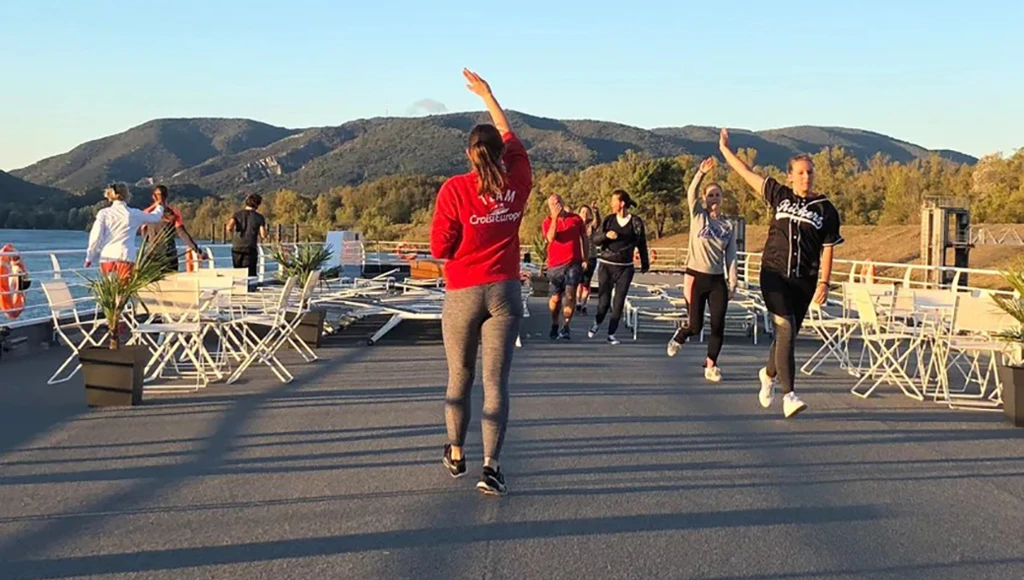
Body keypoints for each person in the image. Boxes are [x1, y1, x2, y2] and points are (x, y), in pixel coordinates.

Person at [429, 69, 532, 496]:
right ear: (500, 153)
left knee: (460, 376)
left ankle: (456, 452)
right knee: (496, 383)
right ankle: (491, 467)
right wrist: (489, 95)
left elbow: (440, 247)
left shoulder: (455, 190)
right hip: (504, 291)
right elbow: (509, 134)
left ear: (470, 155)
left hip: (464, 291)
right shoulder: (518, 179)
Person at [719, 128, 843, 418]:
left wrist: (824, 281)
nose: (806, 177)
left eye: (809, 172)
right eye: (800, 172)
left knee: (787, 335)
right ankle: (789, 395)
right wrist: (725, 150)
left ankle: (768, 373)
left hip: (804, 280)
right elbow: (747, 173)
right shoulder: (779, 195)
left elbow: (828, 248)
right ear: (790, 176)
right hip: (774, 274)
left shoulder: (826, 209)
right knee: (785, 328)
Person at [667, 158, 738, 383]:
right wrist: (701, 173)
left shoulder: (728, 226)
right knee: (696, 326)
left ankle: (711, 364)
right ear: (705, 199)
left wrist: (733, 283)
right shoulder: (698, 215)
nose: (714, 198)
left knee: (718, 324)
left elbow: (731, 256)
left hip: (717, 280)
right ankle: (681, 335)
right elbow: (691, 193)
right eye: (710, 195)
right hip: (697, 277)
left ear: (722, 198)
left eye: (717, 195)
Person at [588, 190, 649, 345]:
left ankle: (611, 333)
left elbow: (642, 243)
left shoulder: (635, 222)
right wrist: (606, 236)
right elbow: (595, 239)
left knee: (619, 301)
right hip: (607, 265)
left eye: (613, 201)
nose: (611, 204)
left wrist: (645, 262)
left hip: (625, 267)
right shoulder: (609, 220)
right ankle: (597, 322)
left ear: (621, 203)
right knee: (604, 301)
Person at [85, 183, 167, 278]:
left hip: (107, 256)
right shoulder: (133, 213)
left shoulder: (103, 213)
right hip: (125, 255)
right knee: (124, 286)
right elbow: (155, 217)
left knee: (110, 286)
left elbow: (96, 236)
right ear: (127, 195)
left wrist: (89, 257)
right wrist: (160, 205)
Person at [542, 194, 588, 340]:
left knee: (570, 295)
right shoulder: (547, 222)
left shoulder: (576, 219)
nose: (558, 206)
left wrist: (585, 257)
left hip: (574, 263)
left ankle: (566, 326)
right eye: (554, 204)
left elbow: (584, 238)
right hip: (555, 265)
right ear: (550, 207)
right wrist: (555, 218)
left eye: (559, 202)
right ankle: (555, 322)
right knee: (555, 298)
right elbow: (550, 238)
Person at [143, 185, 203, 274]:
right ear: (167, 196)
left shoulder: (147, 213)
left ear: (153, 197)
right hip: (167, 254)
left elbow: (144, 235)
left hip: (154, 254)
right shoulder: (173, 213)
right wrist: (198, 251)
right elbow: (182, 234)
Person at [226, 193, 267, 280]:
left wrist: (234, 233)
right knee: (250, 272)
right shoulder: (259, 217)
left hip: (237, 246)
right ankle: (250, 287)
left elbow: (229, 227)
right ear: (257, 204)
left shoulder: (237, 214)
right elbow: (263, 235)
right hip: (250, 246)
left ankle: (238, 286)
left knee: (238, 271)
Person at [575, 204, 600, 315]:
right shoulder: (575, 225)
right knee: (578, 282)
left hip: (591, 257)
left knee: (586, 282)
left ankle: (584, 304)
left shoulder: (591, 226)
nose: (584, 214)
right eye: (582, 212)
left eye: (587, 212)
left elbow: (597, 222)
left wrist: (596, 212)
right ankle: (578, 302)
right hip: (578, 257)